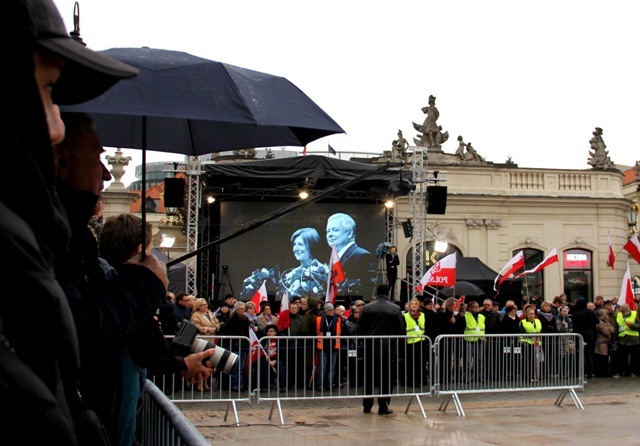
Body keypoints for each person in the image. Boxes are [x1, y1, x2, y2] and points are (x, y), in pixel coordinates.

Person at [0, 1, 136, 443]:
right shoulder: (22, 241)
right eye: (47, 89)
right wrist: (139, 286)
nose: (56, 125)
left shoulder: (39, 238)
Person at [55, 112, 215, 445]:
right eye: (96, 156)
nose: (102, 173)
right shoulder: (53, 241)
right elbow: (84, 333)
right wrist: (146, 283)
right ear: (61, 160)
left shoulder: (71, 241)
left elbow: (140, 344)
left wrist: (178, 363)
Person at [357, 284, 405, 415]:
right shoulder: (395, 308)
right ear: (388, 292)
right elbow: (401, 330)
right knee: (387, 377)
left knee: (369, 377)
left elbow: (359, 327)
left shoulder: (367, 308)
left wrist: (364, 339)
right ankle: (383, 406)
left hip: (370, 347)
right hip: (388, 349)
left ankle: (367, 406)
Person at [326, 213, 375, 294]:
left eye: (335, 230)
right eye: (328, 231)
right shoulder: (335, 257)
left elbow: (366, 288)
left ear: (349, 233)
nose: (330, 235)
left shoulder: (362, 256)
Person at [281, 227, 328, 297]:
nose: (295, 249)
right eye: (294, 244)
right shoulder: (291, 274)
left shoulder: (325, 272)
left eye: (300, 244)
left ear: (312, 245)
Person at [314, 302, 342, 391]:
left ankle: (330, 384)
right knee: (322, 366)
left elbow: (339, 331)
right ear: (326, 310)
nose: (332, 311)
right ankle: (320, 384)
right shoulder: (319, 319)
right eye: (330, 310)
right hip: (323, 345)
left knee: (332, 367)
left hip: (334, 345)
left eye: (332, 309)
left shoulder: (337, 319)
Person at [403, 298, 427, 389]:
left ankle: (418, 380)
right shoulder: (405, 316)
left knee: (419, 362)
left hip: (421, 341)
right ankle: (410, 381)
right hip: (410, 341)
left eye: (415, 304)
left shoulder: (422, 315)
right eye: (412, 304)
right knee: (410, 363)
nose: (413, 305)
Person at [519, 304, 542, 383]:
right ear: (526, 314)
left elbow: (540, 331)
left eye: (533, 314)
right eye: (530, 314)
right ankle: (527, 377)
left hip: (536, 343)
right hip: (526, 343)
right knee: (527, 361)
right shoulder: (522, 322)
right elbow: (522, 333)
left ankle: (535, 376)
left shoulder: (538, 321)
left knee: (536, 361)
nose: (532, 315)